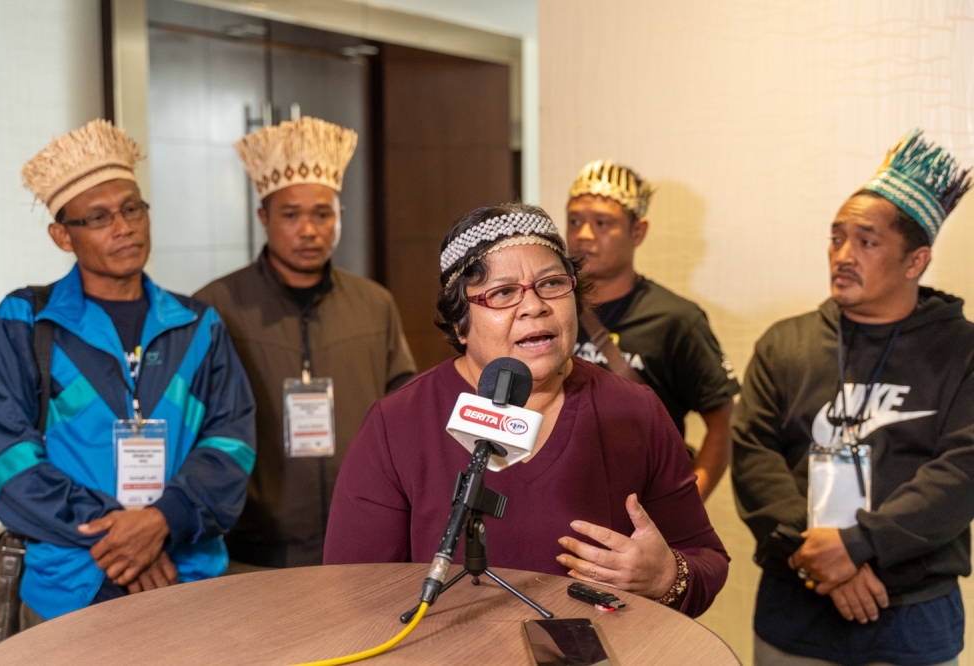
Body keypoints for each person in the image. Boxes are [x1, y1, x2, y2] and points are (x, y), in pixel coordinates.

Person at [324, 202, 729, 618]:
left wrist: (665, 578)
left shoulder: (634, 411)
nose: (535, 306)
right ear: (461, 325)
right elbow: (353, 595)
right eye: (502, 293)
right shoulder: (398, 424)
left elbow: (706, 561)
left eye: (552, 284)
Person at [0, 120, 256, 627]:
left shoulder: (198, 326)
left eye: (132, 208)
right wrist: (122, 537)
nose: (123, 227)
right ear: (62, 236)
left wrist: (162, 521)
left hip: (186, 583)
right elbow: (2, 460)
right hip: (68, 590)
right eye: (99, 217)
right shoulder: (24, 322)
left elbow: (232, 445)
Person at [731, 129, 973, 666]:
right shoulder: (785, 342)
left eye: (866, 241)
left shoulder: (962, 351)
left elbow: (961, 472)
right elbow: (753, 456)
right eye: (835, 237)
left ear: (916, 261)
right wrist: (819, 555)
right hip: (795, 606)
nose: (842, 254)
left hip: (911, 612)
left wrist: (858, 546)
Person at [194, 116, 416, 570]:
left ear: (339, 216)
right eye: (291, 215)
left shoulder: (374, 303)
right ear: (264, 218)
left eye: (322, 214)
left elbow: (405, 413)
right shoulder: (216, 305)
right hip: (252, 546)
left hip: (360, 536)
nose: (309, 230)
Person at [566, 160, 739, 500]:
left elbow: (723, 423)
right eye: (574, 221)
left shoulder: (676, 319)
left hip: (642, 504)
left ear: (638, 232)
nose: (584, 235)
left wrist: (687, 508)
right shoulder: (548, 310)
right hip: (560, 499)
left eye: (603, 223)